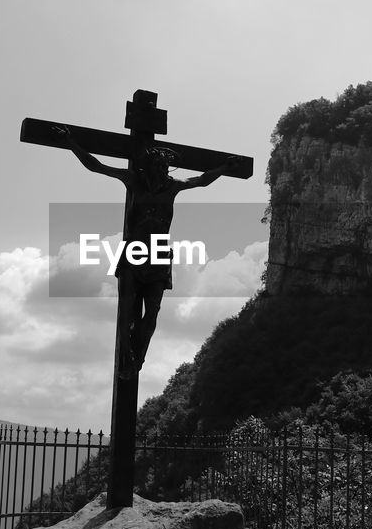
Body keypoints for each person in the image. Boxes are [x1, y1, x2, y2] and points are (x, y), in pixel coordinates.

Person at [55, 126, 242, 376]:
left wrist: (224, 168)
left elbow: (202, 180)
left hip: (159, 255)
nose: (162, 170)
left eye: (165, 167)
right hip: (133, 252)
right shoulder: (134, 181)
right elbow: (96, 166)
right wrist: (71, 143)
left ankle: (137, 358)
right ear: (149, 166)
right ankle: (126, 355)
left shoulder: (173, 186)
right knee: (127, 310)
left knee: (152, 312)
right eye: (158, 165)